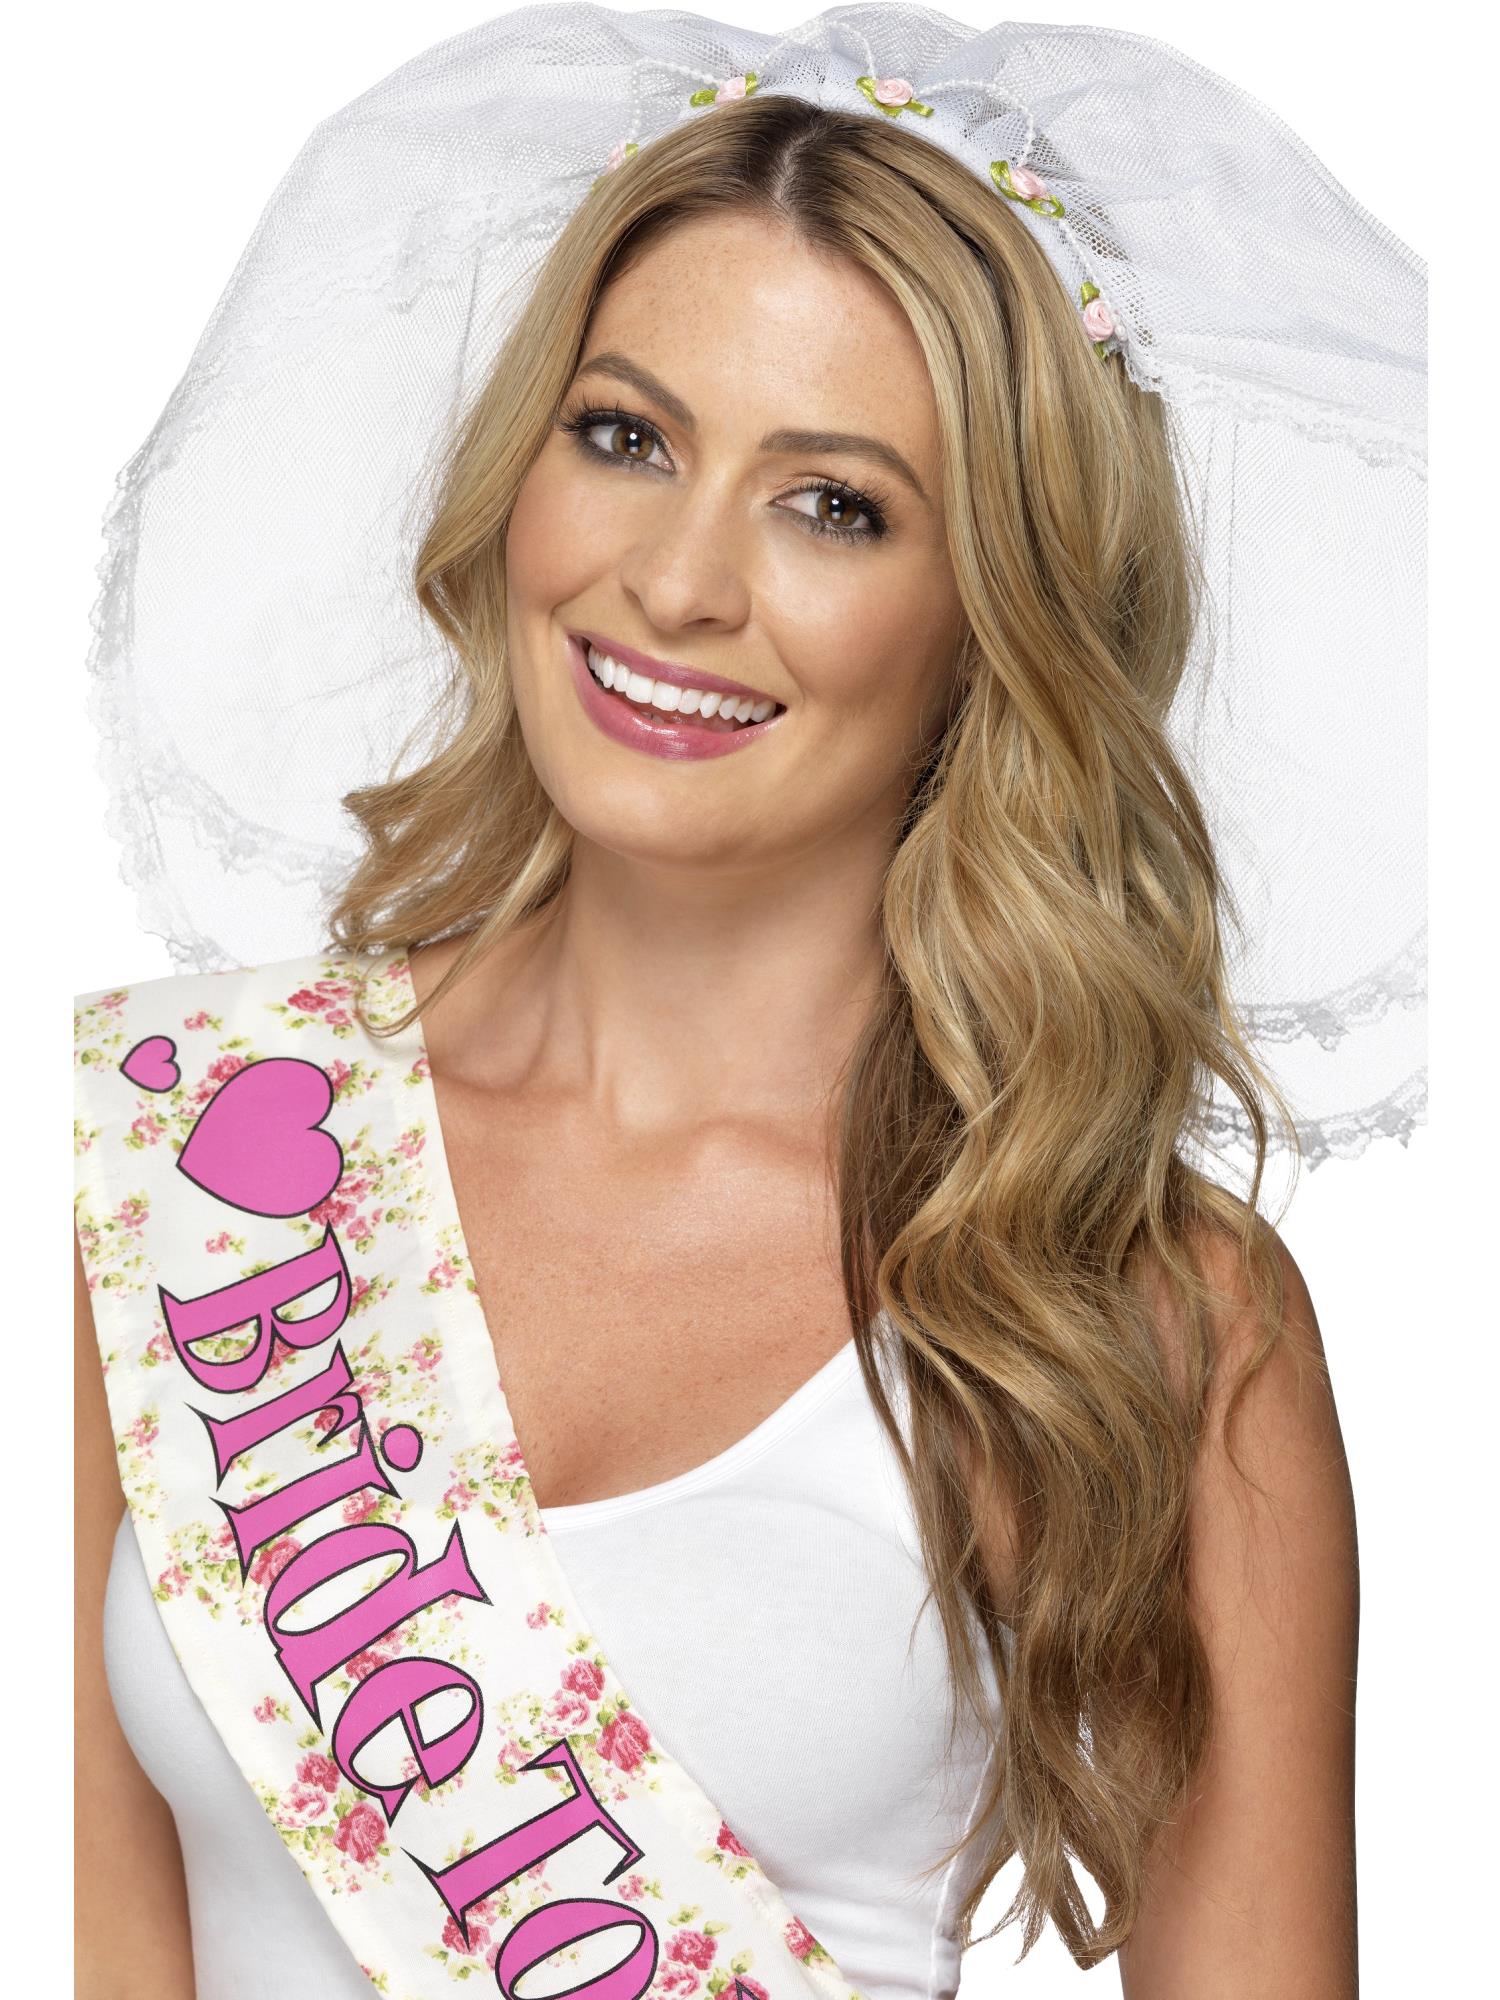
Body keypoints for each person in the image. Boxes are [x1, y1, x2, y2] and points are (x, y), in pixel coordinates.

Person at [74, 54, 1386, 2000]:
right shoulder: (199, 1155)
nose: (677, 583)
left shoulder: (1137, 1308)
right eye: (625, 436)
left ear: (992, 616)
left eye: (834, 507)